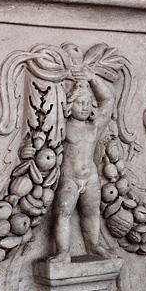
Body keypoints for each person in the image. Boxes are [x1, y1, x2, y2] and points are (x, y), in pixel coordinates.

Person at [52, 68, 114, 263]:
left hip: (91, 178)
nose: (85, 107)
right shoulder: (62, 124)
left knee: (92, 213)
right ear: (70, 104)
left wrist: (92, 78)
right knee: (63, 214)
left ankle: (94, 245)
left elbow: (108, 101)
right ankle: (63, 252)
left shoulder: (94, 126)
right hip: (69, 177)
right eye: (80, 102)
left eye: (87, 103)